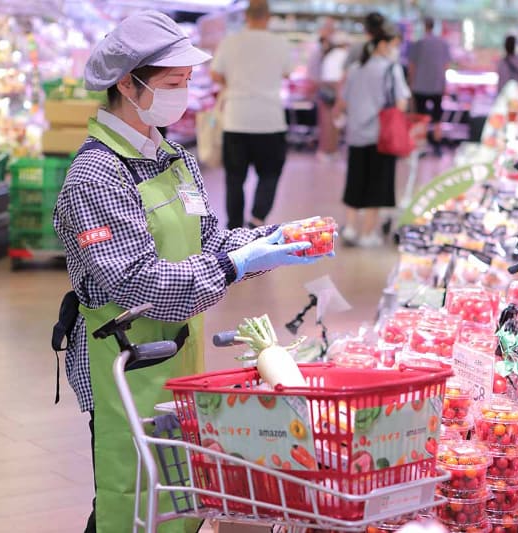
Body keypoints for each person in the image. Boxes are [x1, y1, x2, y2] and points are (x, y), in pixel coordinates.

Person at [52, 11, 325, 533]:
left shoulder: (173, 157)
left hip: (178, 352)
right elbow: (138, 283)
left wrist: (269, 243)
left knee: (175, 490)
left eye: (188, 81)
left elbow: (210, 241)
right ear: (127, 84)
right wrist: (231, 265)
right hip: (124, 361)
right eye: (173, 83)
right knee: (130, 494)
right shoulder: (96, 176)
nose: (183, 93)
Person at [210, 0, 291, 230]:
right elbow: (287, 73)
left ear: (246, 16)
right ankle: (257, 219)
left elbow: (215, 74)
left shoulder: (230, 42)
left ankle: (235, 227)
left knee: (235, 178)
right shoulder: (280, 43)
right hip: (270, 120)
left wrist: (233, 83)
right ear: (268, 17)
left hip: (236, 119)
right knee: (270, 174)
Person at [337, 23, 410, 248]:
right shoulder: (391, 69)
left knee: (355, 181)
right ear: (382, 44)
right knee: (377, 185)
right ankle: (368, 233)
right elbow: (401, 102)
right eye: (393, 45)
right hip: (381, 136)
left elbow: (344, 101)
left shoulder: (355, 69)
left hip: (356, 133)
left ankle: (351, 228)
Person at [408, 18, 450, 156]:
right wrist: (444, 84)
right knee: (437, 118)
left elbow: (412, 66)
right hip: (437, 85)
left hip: (420, 86)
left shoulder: (418, 44)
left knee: (421, 119)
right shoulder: (442, 43)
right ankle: (437, 146)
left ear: (424, 26)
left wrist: (411, 84)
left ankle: (422, 147)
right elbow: (446, 66)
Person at [315, 32, 349, 160]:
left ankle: (327, 151)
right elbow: (340, 79)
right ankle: (329, 151)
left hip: (326, 91)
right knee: (333, 124)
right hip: (335, 91)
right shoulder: (343, 56)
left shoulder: (330, 55)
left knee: (326, 123)